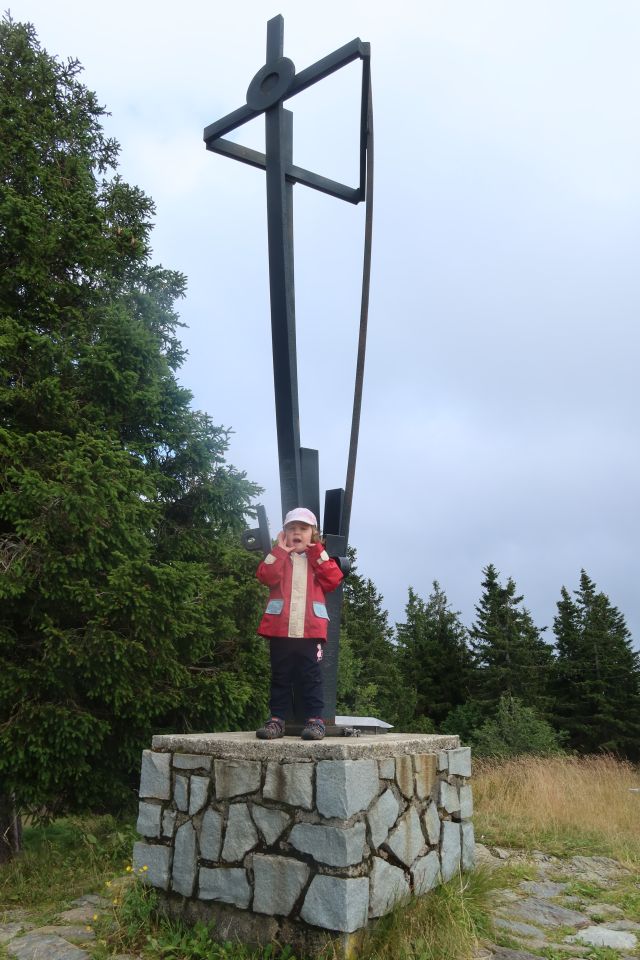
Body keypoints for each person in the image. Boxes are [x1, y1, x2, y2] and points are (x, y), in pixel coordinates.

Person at [255, 507, 343, 741]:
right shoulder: (280, 556)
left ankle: (315, 721)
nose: (297, 532)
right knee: (280, 676)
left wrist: (317, 552)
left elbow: (334, 579)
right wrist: (280, 550)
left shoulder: (318, 558)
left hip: (310, 632)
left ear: (312, 533)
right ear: (284, 533)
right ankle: (277, 721)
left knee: (311, 676)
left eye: (303, 528)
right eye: (292, 528)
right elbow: (265, 575)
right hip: (280, 630)